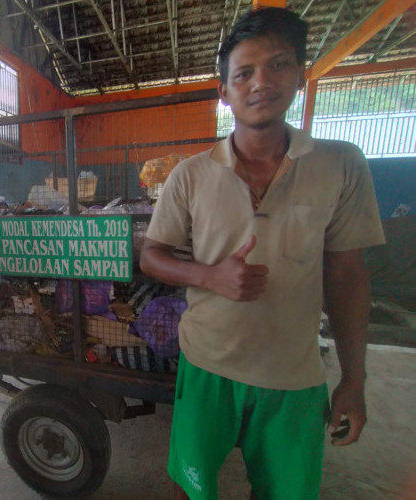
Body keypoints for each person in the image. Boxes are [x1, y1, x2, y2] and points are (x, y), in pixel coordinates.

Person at [139, 7, 385, 500]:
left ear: (300, 75)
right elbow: (151, 255)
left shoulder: (341, 165)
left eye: (278, 65)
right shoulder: (189, 174)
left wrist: (353, 381)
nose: (261, 83)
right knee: (191, 487)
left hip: (293, 377)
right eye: (244, 73)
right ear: (224, 91)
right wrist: (209, 276)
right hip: (207, 366)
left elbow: (348, 276)